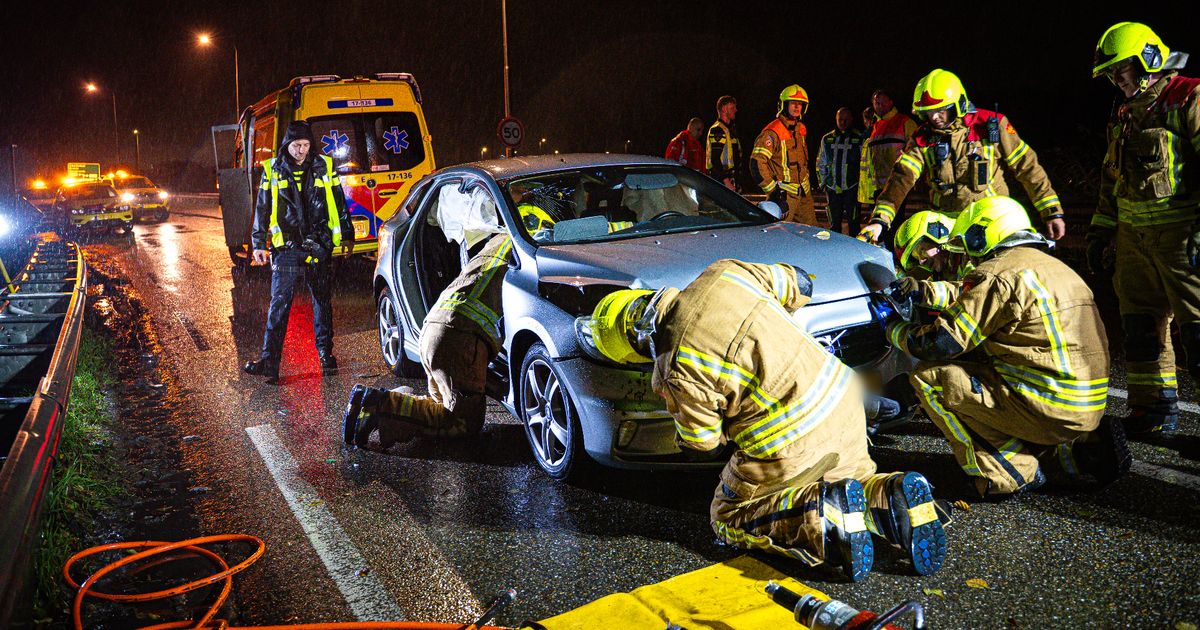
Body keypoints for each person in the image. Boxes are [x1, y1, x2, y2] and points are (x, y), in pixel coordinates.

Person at [579, 260, 949, 581]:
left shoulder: (673, 368)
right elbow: (800, 282)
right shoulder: (723, 273)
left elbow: (703, 443)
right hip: (845, 398)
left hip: (791, 444)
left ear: (635, 343)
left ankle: (822, 515)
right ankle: (893, 495)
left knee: (727, 515)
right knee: (852, 478)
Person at [884, 196, 1130, 498]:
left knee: (931, 377)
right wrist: (924, 291)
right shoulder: (1051, 268)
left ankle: (1007, 474)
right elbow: (972, 297)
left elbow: (938, 344)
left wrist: (892, 331)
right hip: (1086, 404)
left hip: (1047, 407)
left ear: (981, 234)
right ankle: (1078, 452)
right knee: (993, 369)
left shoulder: (996, 274)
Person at [342, 197, 569, 447]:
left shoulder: (502, 241)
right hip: (458, 338)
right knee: (459, 423)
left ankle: (375, 403)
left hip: (438, 328)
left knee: (440, 408)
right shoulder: (538, 254)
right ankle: (378, 403)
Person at [1087, 22, 1199, 437]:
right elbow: (1110, 178)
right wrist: (1101, 231)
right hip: (1134, 241)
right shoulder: (1125, 112)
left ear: (1148, 60)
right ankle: (1152, 411)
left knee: (1198, 332)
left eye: (1122, 70)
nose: (1117, 80)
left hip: (1182, 236)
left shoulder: (1188, 96)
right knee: (1140, 328)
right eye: (1112, 74)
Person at [858, 70, 1066, 245]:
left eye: (941, 110)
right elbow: (901, 179)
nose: (935, 118)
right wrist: (879, 220)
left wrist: (1051, 211)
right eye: (929, 112)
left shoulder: (990, 125)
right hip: (948, 228)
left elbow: (1027, 167)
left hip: (993, 224)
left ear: (958, 103)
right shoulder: (923, 138)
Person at [243, 121, 351, 383]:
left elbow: (338, 200)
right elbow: (263, 208)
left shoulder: (324, 165)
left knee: (321, 302)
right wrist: (258, 243)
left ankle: (326, 357)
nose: (302, 151)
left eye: (305, 145)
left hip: (319, 244)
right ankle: (270, 363)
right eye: (296, 146)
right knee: (279, 305)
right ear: (286, 145)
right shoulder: (273, 169)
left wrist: (346, 234)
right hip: (287, 247)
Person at [752, 85, 816, 224]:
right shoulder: (772, 131)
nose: (797, 107)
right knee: (777, 234)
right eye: (793, 103)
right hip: (784, 196)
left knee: (811, 234)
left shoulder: (801, 129)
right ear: (783, 105)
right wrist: (773, 192)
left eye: (800, 104)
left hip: (804, 194)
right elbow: (756, 163)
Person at [858, 90, 918, 235]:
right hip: (877, 187)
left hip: (898, 185)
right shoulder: (875, 127)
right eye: (876, 103)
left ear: (891, 102)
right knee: (879, 227)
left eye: (882, 102)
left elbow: (917, 151)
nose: (879, 106)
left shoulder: (905, 122)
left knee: (894, 227)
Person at [891, 211, 971, 313]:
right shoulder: (941, 273)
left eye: (922, 251)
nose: (921, 261)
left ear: (939, 233)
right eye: (917, 258)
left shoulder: (970, 256)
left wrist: (922, 290)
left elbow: (970, 294)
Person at [817, 107, 867, 234]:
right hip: (832, 189)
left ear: (851, 119)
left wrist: (862, 185)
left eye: (846, 119)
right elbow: (820, 162)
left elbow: (865, 163)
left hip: (852, 188)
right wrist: (823, 182)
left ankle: (855, 251)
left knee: (854, 224)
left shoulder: (859, 138)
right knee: (834, 225)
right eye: (840, 120)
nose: (843, 123)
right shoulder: (827, 139)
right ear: (836, 120)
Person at [707, 96, 742, 191]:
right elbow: (715, 159)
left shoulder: (730, 129)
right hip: (721, 181)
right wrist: (726, 182)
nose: (736, 110)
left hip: (731, 179)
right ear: (723, 109)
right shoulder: (718, 129)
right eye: (732, 108)